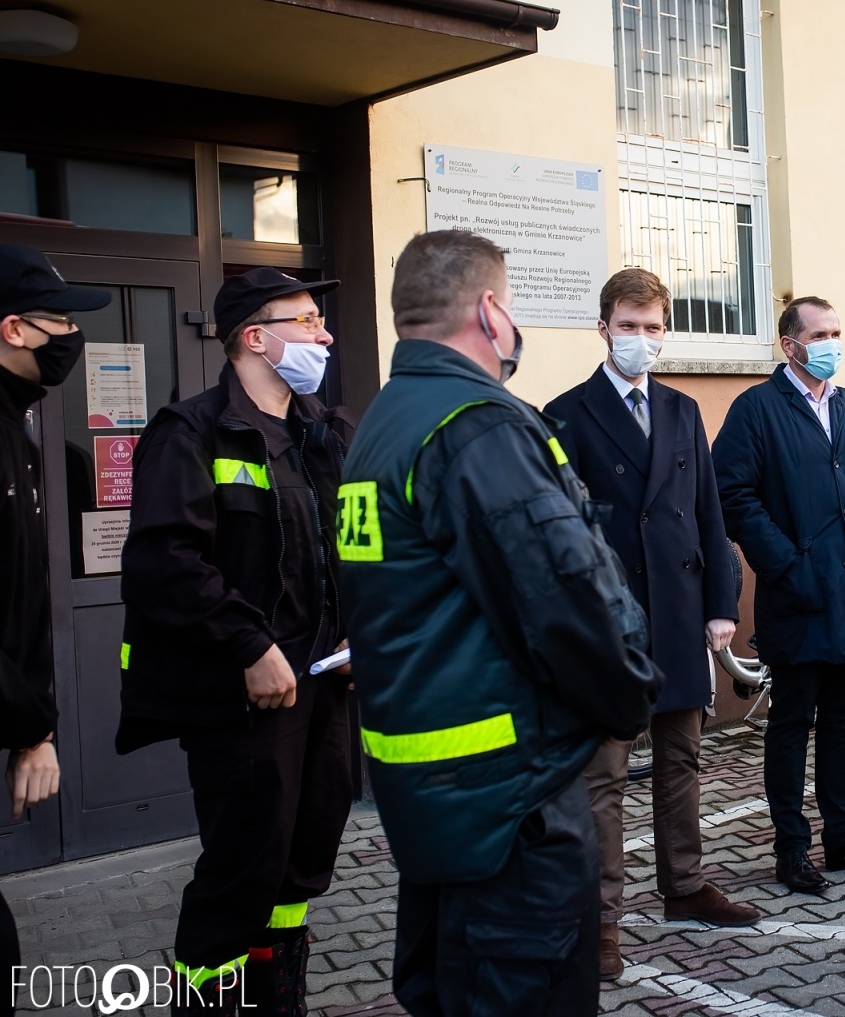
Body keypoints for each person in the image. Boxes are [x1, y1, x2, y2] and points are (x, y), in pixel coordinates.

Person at [337, 230, 658, 1016]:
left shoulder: (384, 422)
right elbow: (566, 601)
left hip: (435, 800)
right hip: (511, 806)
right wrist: (629, 696)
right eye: (510, 306)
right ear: (489, 310)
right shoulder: (476, 425)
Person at [117, 267, 352, 1016]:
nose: (325, 335)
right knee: (242, 870)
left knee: (302, 860)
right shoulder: (189, 432)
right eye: (308, 320)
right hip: (244, 699)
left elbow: (353, 546)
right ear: (256, 336)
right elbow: (164, 563)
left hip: (324, 686)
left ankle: (277, 997)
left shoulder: (325, 431)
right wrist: (249, 646)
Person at [546, 268, 759, 978]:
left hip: (678, 611)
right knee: (604, 776)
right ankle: (599, 921)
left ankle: (686, 884)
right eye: (629, 325)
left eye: (653, 327)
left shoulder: (681, 409)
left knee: (682, 761)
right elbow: (558, 532)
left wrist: (722, 603)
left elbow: (709, 513)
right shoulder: (565, 415)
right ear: (602, 326)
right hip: (607, 623)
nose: (642, 339)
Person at [714, 296, 845, 895]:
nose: (831, 343)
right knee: (792, 723)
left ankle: (843, 838)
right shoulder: (756, 410)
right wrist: (787, 565)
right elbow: (733, 496)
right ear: (789, 344)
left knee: (843, 722)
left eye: (837, 331)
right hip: (798, 597)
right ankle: (791, 849)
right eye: (819, 333)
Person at [0, 245, 109, 1016]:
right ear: (14, 327)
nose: (72, 337)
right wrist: (33, 726)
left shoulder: (24, 431)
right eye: (61, 322)